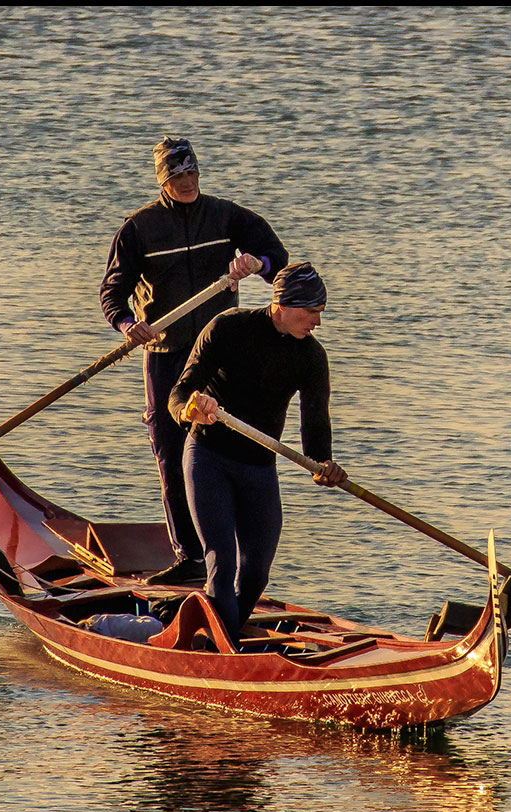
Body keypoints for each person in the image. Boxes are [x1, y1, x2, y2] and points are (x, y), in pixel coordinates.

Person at [100, 136, 289, 585]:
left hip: (219, 353)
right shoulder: (139, 228)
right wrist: (130, 326)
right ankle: (189, 557)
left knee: (228, 447)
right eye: (176, 177)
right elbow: (112, 295)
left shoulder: (226, 216)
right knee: (170, 450)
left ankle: (234, 563)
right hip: (165, 353)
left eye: (191, 174)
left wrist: (254, 265)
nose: (186, 183)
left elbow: (277, 259)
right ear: (163, 181)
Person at [170, 263, 346, 643]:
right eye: (311, 311)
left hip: (259, 469)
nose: (317, 321)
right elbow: (179, 394)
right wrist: (190, 411)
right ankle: (227, 649)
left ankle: (218, 636)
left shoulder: (312, 358)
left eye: (321, 312)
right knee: (222, 559)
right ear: (282, 303)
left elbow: (316, 423)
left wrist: (323, 464)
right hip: (208, 458)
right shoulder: (229, 328)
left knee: (255, 572)